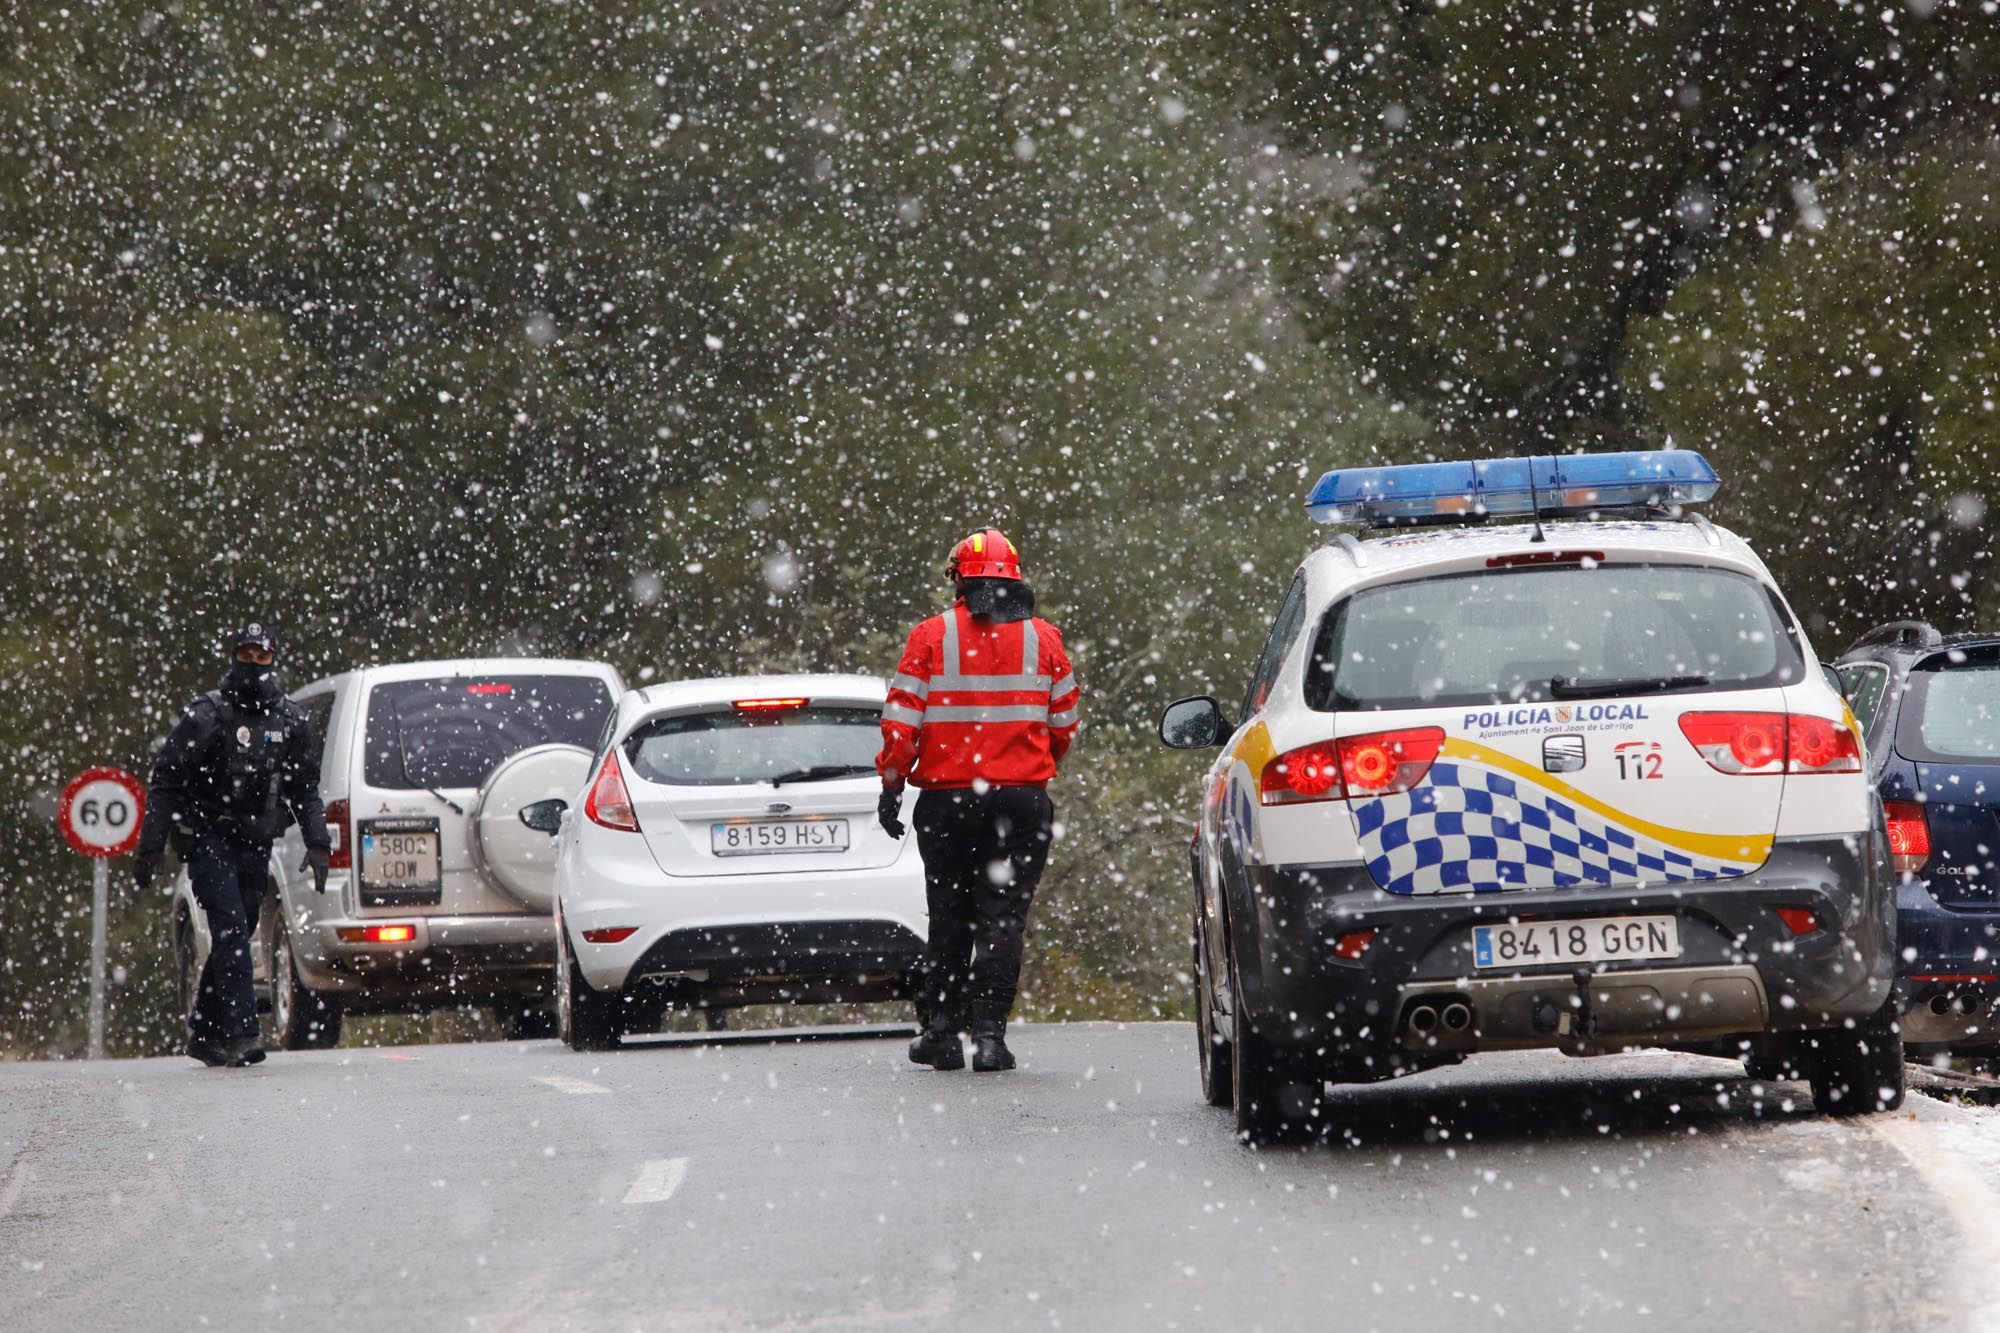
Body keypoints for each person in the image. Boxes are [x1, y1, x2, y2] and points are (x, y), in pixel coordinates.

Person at [877, 529, 1080, 1072]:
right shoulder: (1045, 639)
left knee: (949, 916)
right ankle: (990, 1039)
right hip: (1020, 801)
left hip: (946, 803)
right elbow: (1064, 723)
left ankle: (941, 1034)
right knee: (1004, 917)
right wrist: (1028, 770)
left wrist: (893, 782)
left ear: (958, 579)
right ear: (1014, 578)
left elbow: (901, 723)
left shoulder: (929, 636)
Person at [133, 624, 331, 1067]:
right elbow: (166, 780)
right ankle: (243, 1032)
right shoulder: (206, 715)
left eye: (262, 657)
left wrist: (319, 844)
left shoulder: (288, 720)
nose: (253, 664)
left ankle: (204, 1030)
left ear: (272, 660)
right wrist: (151, 847)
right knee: (229, 929)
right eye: (246, 654)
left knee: (236, 932)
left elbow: (304, 789)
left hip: (254, 842)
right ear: (233, 656)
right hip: (207, 840)